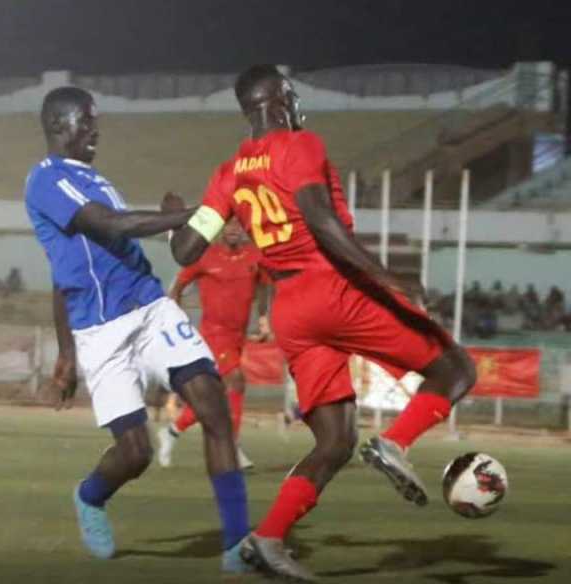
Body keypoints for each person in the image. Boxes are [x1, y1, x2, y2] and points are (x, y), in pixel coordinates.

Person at [165, 64, 476, 581]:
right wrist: (384, 275)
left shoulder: (228, 173)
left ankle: (266, 540)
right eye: (290, 93)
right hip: (332, 285)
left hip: (290, 309)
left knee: (334, 442)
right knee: (456, 369)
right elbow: (319, 216)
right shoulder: (300, 144)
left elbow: (184, 249)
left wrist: (192, 212)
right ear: (280, 99)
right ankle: (395, 443)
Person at [24, 87, 253, 574]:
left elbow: (78, 261)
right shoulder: (47, 180)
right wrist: (196, 215)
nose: (95, 130)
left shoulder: (96, 179)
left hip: (150, 310)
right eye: (86, 122)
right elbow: (113, 227)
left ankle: (239, 545)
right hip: (101, 333)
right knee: (135, 453)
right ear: (60, 125)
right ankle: (89, 497)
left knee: (213, 405)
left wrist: (180, 224)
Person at [158, 218, 270, 469]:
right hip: (213, 335)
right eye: (229, 225)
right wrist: (176, 322)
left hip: (237, 336)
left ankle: (173, 431)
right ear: (220, 228)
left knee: (215, 399)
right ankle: (232, 448)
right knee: (237, 381)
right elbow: (177, 288)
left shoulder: (254, 256)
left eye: (239, 225)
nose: (233, 229)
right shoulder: (204, 256)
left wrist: (263, 318)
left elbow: (263, 287)